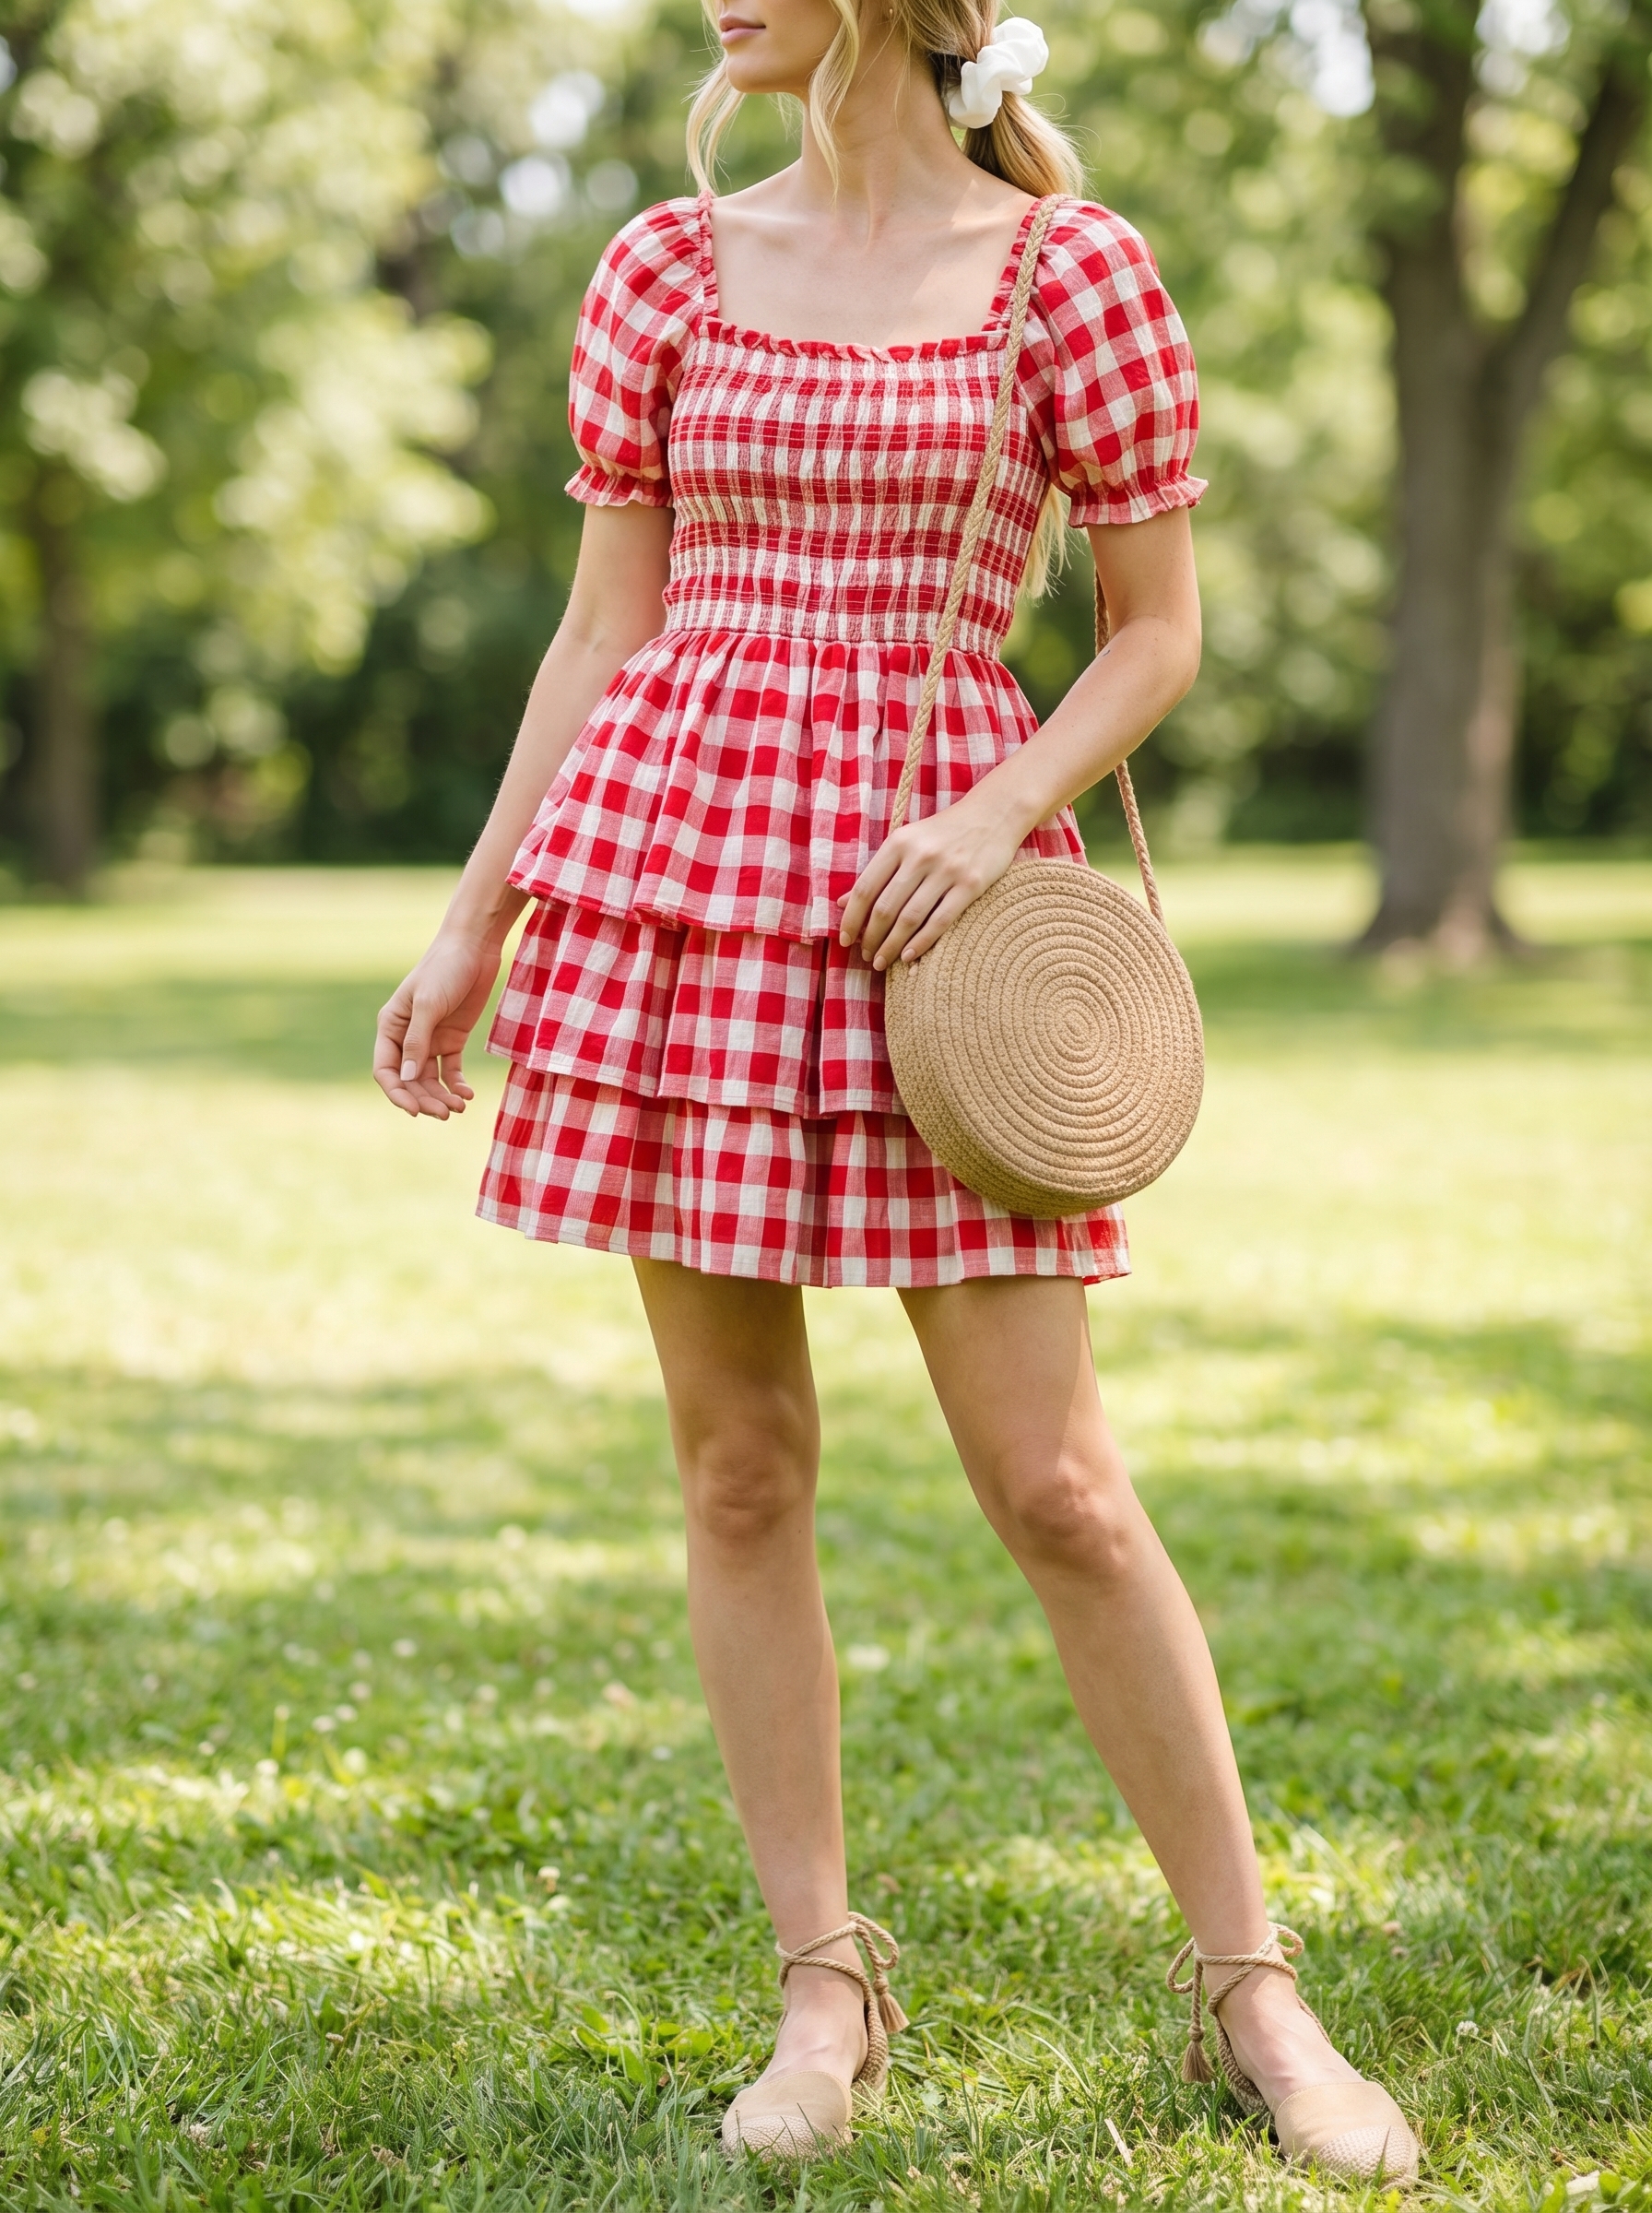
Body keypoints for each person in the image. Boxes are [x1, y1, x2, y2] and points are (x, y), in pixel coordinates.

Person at [373, 0, 1421, 2184]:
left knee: (1053, 1485)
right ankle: (820, 1989)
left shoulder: (1068, 270)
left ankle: (1256, 1993)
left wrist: (990, 808)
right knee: (737, 1466)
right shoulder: (664, 264)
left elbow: (1154, 630)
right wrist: (477, 920)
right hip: (679, 880)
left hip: (931, 909)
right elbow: (598, 630)